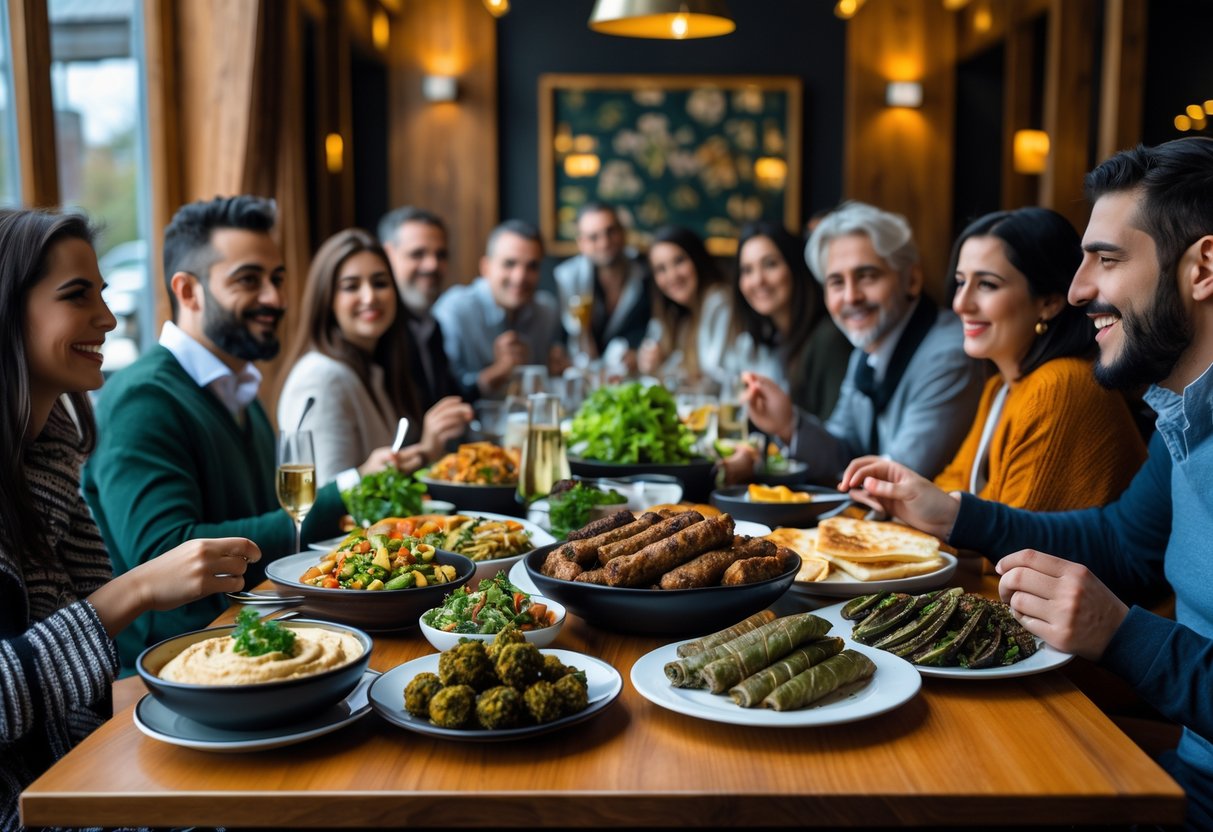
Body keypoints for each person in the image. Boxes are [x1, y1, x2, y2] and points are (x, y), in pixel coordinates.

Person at [839, 138, 1213, 830]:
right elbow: (1121, 544)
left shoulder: (1077, 389)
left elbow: (1117, 602)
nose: (1076, 291)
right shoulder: (1182, 416)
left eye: (1105, 259)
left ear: (1203, 267)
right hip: (1175, 772)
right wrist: (955, 514)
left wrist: (1122, 635)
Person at [0, 208, 261, 828]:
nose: (109, 320)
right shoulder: (144, 399)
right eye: (76, 296)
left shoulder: (52, 455)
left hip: (81, 757)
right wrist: (138, 588)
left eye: (104, 295)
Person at [82, 195, 347, 670]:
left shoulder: (241, 389)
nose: (275, 298)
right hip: (172, 667)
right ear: (188, 291)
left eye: (278, 279)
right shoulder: (142, 398)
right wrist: (344, 495)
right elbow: (166, 553)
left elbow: (265, 524)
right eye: (249, 280)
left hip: (256, 640)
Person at [742, 201, 986, 483]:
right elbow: (843, 451)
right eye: (836, 282)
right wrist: (788, 424)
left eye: (867, 276)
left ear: (912, 280)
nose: (850, 296)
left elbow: (900, 479)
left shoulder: (949, 354)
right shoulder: (867, 349)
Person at [931, 207, 1146, 508]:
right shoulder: (1001, 388)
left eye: (987, 285)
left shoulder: (1058, 386)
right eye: (960, 282)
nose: (960, 304)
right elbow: (950, 487)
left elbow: (1007, 544)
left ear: (1049, 303)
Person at [277, 228, 472, 485]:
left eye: (380, 283)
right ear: (327, 299)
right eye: (351, 287)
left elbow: (383, 471)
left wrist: (427, 450)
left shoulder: (374, 368)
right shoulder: (322, 377)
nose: (370, 297)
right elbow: (320, 499)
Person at [729, 220, 852, 420]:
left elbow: (838, 442)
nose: (758, 280)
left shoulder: (829, 338)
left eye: (770, 264)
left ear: (795, 266)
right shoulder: (775, 339)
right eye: (747, 270)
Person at [432, 220, 568, 398]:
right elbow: (443, 391)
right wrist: (498, 371)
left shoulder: (547, 311)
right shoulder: (455, 311)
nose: (520, 277)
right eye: (509, 264)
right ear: (485, 267)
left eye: (532, 266)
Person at [378, 206, 467, 407]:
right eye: (418, 254)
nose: (432, 265)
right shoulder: (377, 331)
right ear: (387, 256)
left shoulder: (432, 324)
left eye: (441, 255)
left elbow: (446, 401)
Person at [553, 202, 652, 369]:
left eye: (610, 232)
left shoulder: (647, 273)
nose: (604, 243)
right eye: (593, 237)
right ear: (581, 243)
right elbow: (566, 336)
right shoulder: (567, 278)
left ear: (623, 233)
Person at [638, 225, 732, 386]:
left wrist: (665, 370)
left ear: (697, 259)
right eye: (661, 269)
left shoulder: (719, 302)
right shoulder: (681, 316)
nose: (672, 275)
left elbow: (713, 374)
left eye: (679, 261)